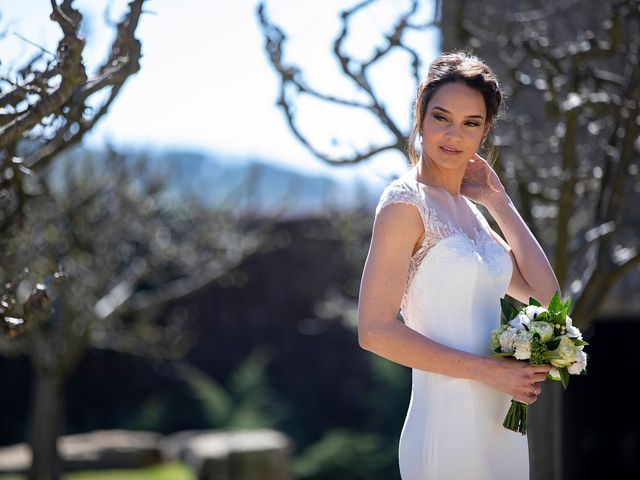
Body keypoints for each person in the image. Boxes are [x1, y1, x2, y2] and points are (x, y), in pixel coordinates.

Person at [356, 51, 561, 479]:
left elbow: (547, 297)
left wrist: (500, 203)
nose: (453, 135)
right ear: (420, 117)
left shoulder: (473, 212)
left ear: (485, 131)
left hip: (499, 420)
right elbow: (374, 330)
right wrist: (489, 371)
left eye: (470, 123)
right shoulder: (403, 204)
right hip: (445, 421)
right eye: (441, 117)